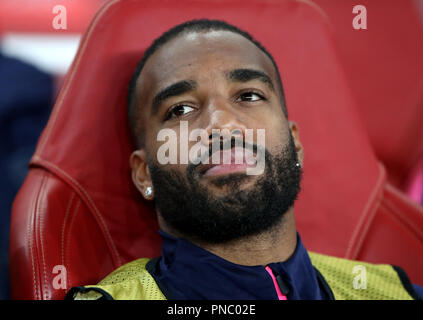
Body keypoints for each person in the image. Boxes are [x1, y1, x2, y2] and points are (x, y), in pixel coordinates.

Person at [65, 19, 422, 300]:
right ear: (144, 174)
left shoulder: (395, 291)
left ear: (295, 144)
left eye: (249, 96)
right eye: (181, 109)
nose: (221, 124)